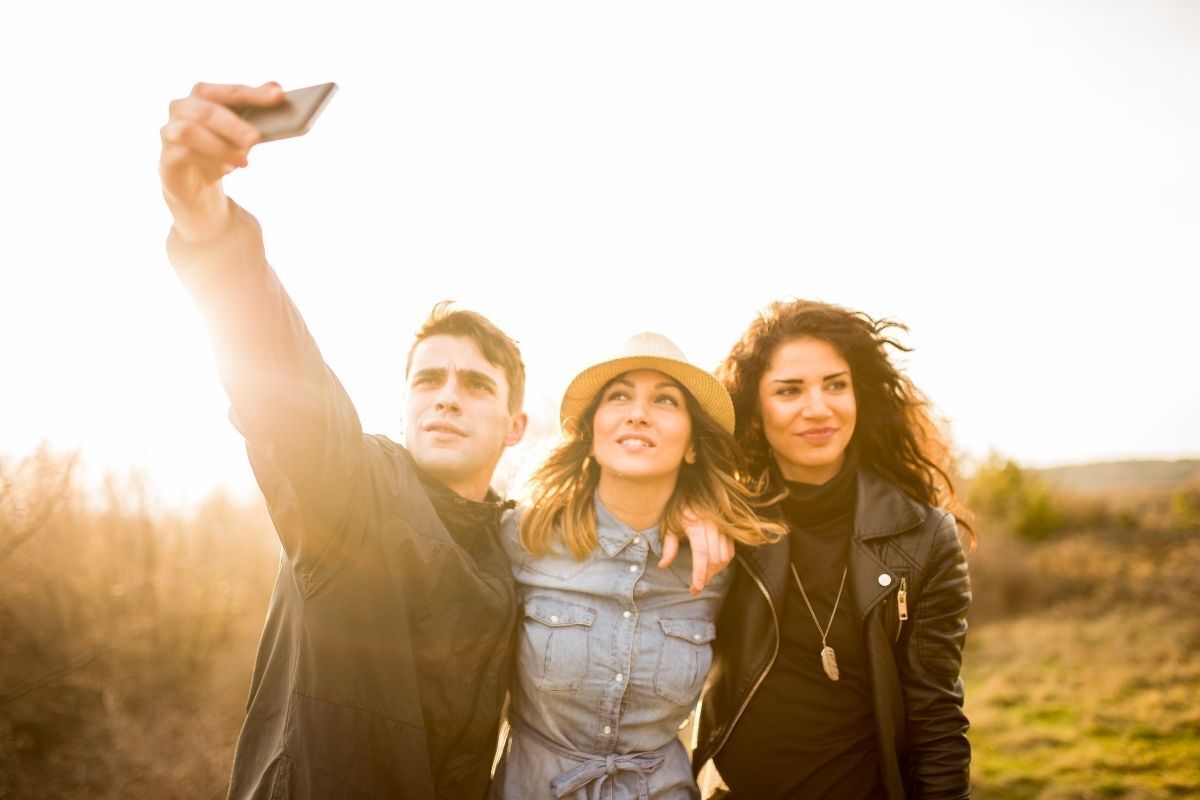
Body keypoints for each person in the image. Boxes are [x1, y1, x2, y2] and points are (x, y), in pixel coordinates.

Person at [159, 82, 730, 800]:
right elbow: (279, 378)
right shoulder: (349, 492)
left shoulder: (512, 538)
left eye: (475, 384)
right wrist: (208, 225)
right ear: (402, 408)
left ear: (515, 426)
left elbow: (610, 540)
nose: (447, 397)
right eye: (428, 380)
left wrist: (685, 505)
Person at [692, 299, 974, 799]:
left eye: (835, 384)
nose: (818, 408)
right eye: (789, 390)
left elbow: (937, 721)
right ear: (756, 408)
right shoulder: (728, 519)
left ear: (858, 394)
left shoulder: (925, 537)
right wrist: (684, 508)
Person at [490, 333, 785, 800]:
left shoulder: (722, 564)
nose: (639, 412)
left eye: (665, 400)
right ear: (590, 435)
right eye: (620, 395)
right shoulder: (522, 536)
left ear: (691, 445)